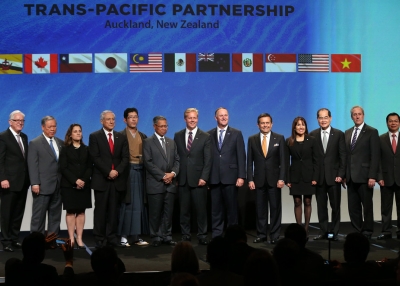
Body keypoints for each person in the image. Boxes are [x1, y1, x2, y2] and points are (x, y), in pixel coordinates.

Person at [89, 110, 129, 248]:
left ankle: (112, 237)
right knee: (100, 211)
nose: (111, 121)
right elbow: (95, 157)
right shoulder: (95, 136)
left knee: (114, 211)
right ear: (102, 121)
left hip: (117, 180)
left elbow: (125, 158)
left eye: (113, 119)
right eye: (108, 119)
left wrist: (117, 171)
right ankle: (99, 238)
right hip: (102, 179)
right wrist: (108, 171)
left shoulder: (121, 137)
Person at [247, 113, 287, 244]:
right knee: (260, 209)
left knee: (275, 208)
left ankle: (275, 235)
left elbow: (283, 161)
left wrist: (282, 178)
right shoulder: (252, 139)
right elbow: (249, 161)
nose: (265, 125)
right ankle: (261, 234)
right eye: (262, 123)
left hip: (274, 180)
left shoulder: (279, 138)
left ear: (272, 124)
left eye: (267, 123)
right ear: (258, 125)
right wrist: (250, 179)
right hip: (258, 180)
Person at [174, 108, 212, 245]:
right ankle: (185, 234)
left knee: (201, 210)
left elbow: (208, 160)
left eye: (194, 118)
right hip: (183, 179)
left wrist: (204, 177)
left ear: (197, 119)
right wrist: (176, 177)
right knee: (184, 210)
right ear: (185, 119)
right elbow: (176, 157)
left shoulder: (205, 136)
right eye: (189, 118)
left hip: (199, 180)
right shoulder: (178, 135)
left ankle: (202, 235)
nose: (192, 120)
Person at [207, 107, 246, 239]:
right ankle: (217, 235)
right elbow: (208, 158)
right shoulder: (209, 134)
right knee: (216, 210)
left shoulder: (236, 133)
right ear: (215, 118)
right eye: (221, 115)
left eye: (226, 115)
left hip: (231, 177)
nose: (224, 117)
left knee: (232, 209)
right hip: (214, 177)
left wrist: (241, 175)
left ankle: (232, 235)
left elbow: (241, 156)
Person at [309, 108, 346, 241]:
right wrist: (313, 177)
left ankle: (335, 232)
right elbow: (312, 158)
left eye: (325, 117)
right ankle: (323, 231)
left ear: (330, 118)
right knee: (321, 207)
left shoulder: (338, 134)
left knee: (335, 206)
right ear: (317, 119)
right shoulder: (312, 135)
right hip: (319, 178)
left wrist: (341, 174)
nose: (323, 120)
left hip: (334, 177)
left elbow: (343, 156)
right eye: (320, 117)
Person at [143, 115, 180, 247]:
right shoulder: (148, 142)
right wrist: (163, 176)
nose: (164, 128)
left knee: (168, 212)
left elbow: (177, 160)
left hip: (170, 184)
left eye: (166, 126)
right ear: (155, 126)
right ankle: (156, 236)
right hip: (155, 183)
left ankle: (167, 236)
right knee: (155, 212)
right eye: (162, 126)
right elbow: (148, 163)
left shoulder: (171, 142)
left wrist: (172, 174)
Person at [344, 106, 380, 239]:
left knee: (367, 206)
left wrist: (372, 176)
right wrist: (344, 175)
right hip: (350, 176)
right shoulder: (347, 133)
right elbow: (346, 155)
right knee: (353, 207)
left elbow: (375, 156)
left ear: (363, 115)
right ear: (351, 117)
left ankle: (368, 230)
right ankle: (356, 230)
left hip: (365, 176)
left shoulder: (371, 131)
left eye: (359, 114)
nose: (357, 116)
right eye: (354, 114)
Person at [118, 107, 149, 247]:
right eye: (130, 117)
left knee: (139, 204)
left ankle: (136, 236)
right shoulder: (120, 136)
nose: (133, 119)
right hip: (127, 171)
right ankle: (123, 236)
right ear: (125, 120)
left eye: (135, 116)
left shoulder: (143, 136)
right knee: (127, 203)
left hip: (141, 170)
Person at [28, 116, 63, 236]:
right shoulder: (35, 143)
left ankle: (51, 240)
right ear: (43, 127)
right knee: (39, 217)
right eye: (50, 127)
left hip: (58, 186)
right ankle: (36, 241)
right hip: (42, 186)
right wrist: (35, 183)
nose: (52, 129)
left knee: (55, 216)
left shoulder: (60, 142)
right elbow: (32, 165)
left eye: (54, 126)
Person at [0, 110, 30, 252]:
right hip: (9, 183)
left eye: (22, 121)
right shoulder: (3, 137)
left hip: (23, 182)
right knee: (7, 213)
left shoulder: (24, 137)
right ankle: (5, 241)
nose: (20, 123)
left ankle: (14, 238)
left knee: (18, 212)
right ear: (10, 122)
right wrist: (3, 178)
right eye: (17, 120)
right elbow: (0, 160)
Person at [59, 123, 92, 248]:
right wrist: (75, 180)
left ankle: (79, 237)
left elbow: (90, 167)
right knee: (71, 212)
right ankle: (71, 237)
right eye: (75, 131)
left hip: (84, 185)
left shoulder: (87, 149)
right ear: (70, 135)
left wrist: (83, 180)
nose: (78, 133)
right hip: (69, 185)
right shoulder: (65, 149)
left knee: (81, 212)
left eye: (80, 131)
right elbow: (63, 167)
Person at [286, 117, 321, 233]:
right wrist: (287, 179)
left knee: (307, 202)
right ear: (294, 127)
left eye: (303, 125)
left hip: (309, 176)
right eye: (298, 125)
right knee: (297, 202)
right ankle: (298, 228)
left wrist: (315, 177)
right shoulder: (289, 141)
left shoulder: (312, 140)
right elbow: (286, 162)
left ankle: (306, 229)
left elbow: (317, 160)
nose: (301, 127)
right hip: (295, 176)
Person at [377, 112, 400, 240]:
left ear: (399, 123)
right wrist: (379, 176)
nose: (393, 123)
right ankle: (386, 231)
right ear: (387, 123)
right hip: (385, 179)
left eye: (395, 121)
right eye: (391, 121)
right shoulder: (381, 139)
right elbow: (377, 160)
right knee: (386, 207)